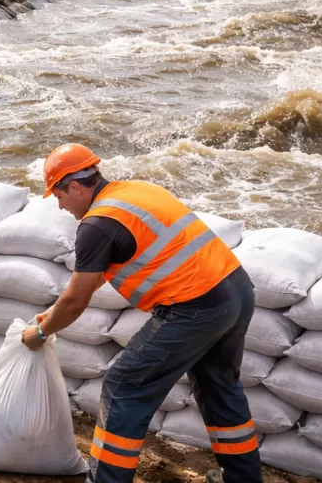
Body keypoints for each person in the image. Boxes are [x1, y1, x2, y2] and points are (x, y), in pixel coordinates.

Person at [23, 144, 261, 483]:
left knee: (123, 383)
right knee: (218, 387)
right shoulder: (136, 190)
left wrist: (42, 333)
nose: (60, 205)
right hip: (236, 290)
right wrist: (53, 314)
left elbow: (77, 300)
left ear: (74, 186)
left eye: (58, 195)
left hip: (195, 307)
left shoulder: (96, 225)